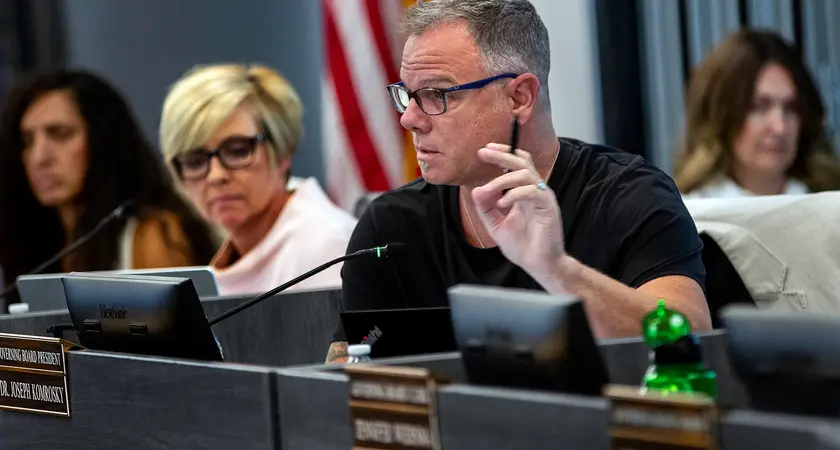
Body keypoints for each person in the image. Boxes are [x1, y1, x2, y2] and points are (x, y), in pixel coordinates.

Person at [326, 0, 712, 362]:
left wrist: (556, 269)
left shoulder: (629, 195)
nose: (409, 119)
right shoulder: (389, 229)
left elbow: (690, 340)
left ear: (520, 97)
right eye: (407, 95)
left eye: (435, 95)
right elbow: (350, 375)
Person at [0, 69, 219, 308]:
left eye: (60, 134)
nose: (39, 157)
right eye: (27, 141)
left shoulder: (152, 235)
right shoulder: (34, 242)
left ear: (103, 141)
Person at [160, 64, 357, 296]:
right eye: (194, 161)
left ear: (282, 151)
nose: (215, 176)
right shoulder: (237, 251)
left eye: (237, 150)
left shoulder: (327, 246)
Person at [676, 29, 840, 199]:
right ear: (722, 115)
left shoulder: (829, 203)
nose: (779, 127)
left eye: (791, 108)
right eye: (759, 107)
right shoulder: (689, 214)